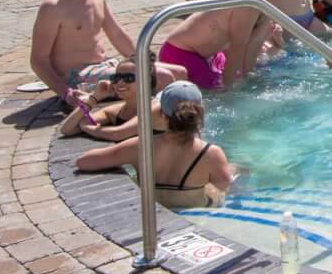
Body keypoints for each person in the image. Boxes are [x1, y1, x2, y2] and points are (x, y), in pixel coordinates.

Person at [30, 0, 186, 108]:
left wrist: (142, 61)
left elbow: (116, 33)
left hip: (106, 65)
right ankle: (158, 122)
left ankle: (178, 120)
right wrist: (66, 93)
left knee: (180, 72)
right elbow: (38, 60)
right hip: (78, 77)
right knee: (163, 77)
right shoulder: (54, 7)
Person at [75, 80, 235, 209]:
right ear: (200, 113)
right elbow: (224, 186)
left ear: (161, 113)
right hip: (195, 208)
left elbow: (84, 162)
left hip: (156, 207)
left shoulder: (140, 146)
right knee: (234, 171)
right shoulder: (211, 152)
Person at [156, 0, 288, 90]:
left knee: (238, 77)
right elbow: (237, 48)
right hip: (180, 53)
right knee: (219, 92)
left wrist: (248, 78)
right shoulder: (246, 2)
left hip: (208, 55)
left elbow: (255, 42)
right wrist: (230, 92)